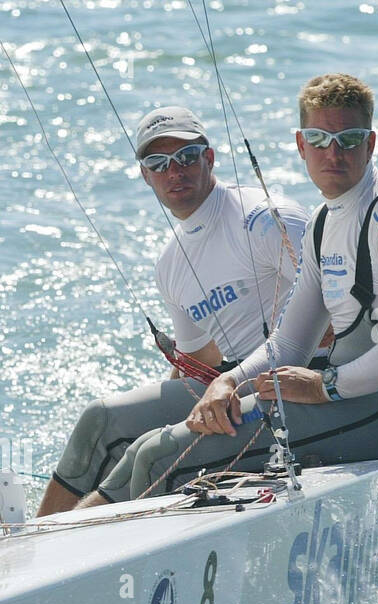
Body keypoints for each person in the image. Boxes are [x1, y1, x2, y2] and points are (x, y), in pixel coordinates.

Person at [76, 73, 378, 505]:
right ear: (301, 146)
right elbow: (291, 342)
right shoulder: (322, 223)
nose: (333, 152)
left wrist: (322, 387)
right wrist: (227, 381)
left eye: (349, 139)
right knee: (142, 451)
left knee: (160, 457)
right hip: (344, 396)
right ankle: (45, 549)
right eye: (319, 139)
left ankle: (84, 559)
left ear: (370, 144)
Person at [35, 106, 308, 516]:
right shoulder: (170, 264)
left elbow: (331, 314)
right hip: (226, 385)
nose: (174, 171)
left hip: (283, 385)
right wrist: (169, 412)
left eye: (186, 157)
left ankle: (64, 547)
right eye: (158, 163)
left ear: (209, 158)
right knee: (100, 421)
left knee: (148, 453)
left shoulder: (264, 219)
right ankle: (31, 542)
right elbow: (197, 363)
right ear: (146, 176)